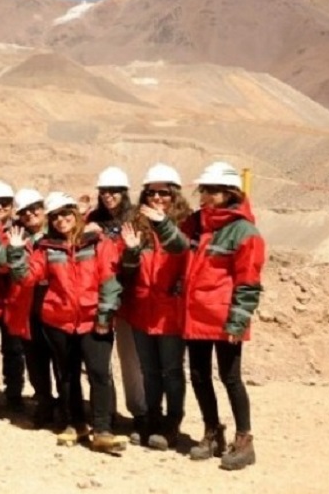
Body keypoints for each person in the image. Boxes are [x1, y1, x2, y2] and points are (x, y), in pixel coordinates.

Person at [143, 161, 264, 470]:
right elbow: (178, 247)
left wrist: (238, 319)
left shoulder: (244, 231)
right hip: (195, 315)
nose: (203, 195)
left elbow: (248, 280)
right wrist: (162, 225)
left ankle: (244, 440)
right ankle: (212, 432)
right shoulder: (198, 222)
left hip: (224, 317)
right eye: (203, 190)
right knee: (198, 375)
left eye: (209, 190)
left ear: (228, 193)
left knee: (230, 377)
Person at [7, 192, 126, 454]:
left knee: (98, 373)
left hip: (93, 320)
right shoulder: (48, 247)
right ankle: (76, 423)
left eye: (66, 214)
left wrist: (104, 316)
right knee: (67, 374)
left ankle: (103, 428)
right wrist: (16, 252)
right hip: (58, 321)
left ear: (76, 214)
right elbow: (26, 278)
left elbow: (109, 281)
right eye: (56, 216)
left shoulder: (97, 242)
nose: (61, 220)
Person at [118, 164, 191, 450]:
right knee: (148, 370)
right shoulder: (137, 225)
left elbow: (185, 252)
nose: (158, 197)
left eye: (164, 192)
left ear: (175, 195)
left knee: (171, 370)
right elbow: (127, 269)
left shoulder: (185, 225)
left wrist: (163, 223)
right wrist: (131, 252)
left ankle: (172, 422)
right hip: (142, 308)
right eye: (152, 192)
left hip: (169, 311)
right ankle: (152, 417)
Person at [0, 188, 60, 428]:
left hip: (56, 306)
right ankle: (44, 405)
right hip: (28, 307)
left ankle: (66, 408)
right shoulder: (18, 235)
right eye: (24, 211)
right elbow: (2, 265)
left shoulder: (59, 232)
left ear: (44, 209)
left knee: (61, 360)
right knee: (35, 361)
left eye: (35, 208)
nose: (30, 214)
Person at [87, 166, 146, 441]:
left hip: (127, 299)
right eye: (104, 192)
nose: (108, 196)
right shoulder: (93, 219)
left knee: (129, 358)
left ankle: (139, 412)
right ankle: (105, 410)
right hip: (96, 299)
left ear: (124, 193)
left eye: (113, 192)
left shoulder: (135, 221)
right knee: (99, 359)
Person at [0, 180, 27, 413]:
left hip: (13, 300)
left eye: (4, 203)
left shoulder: (20, 231)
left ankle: (14, 394)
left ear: (12, 206)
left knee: (13, 350)